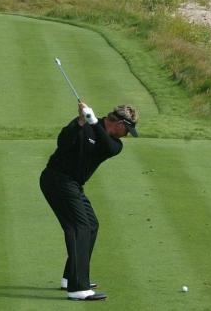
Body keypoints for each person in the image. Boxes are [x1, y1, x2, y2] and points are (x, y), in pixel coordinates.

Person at [39, 101, 138, 301]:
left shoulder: (114, 144)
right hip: (56, 179)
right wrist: (80, 122)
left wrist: (93, 122)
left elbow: (105, 145)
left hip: (73, 184)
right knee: (80, 228)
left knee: (91, 225)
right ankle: (78, 288)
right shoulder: (84, 127)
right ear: (117, 122)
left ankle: (71, 277)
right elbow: (63, 141)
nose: (127, 133)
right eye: (126, 128)